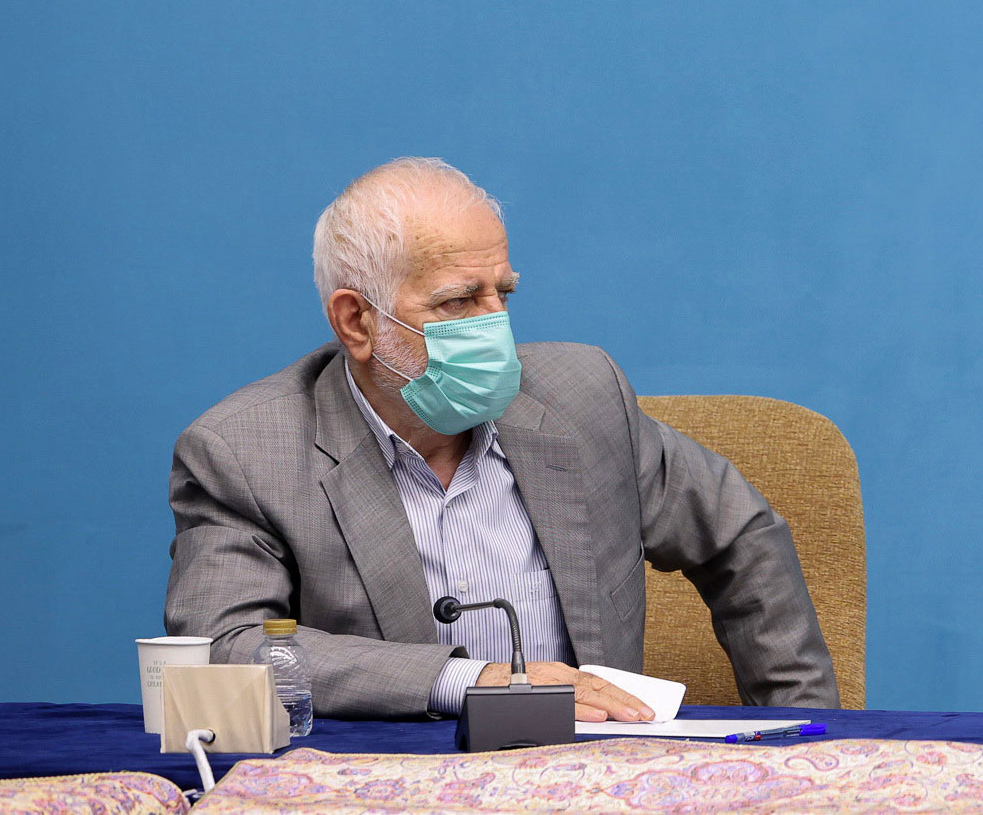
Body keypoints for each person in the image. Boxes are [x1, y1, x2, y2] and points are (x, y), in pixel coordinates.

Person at [165, 158, 835, 720]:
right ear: (357, 321)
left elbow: (741, 536)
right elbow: (225, 646)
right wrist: (470, 681)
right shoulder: (245, 452)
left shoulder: (584, 398)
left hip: (593, 780)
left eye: (502, 295)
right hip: (395, 789)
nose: (495, 329)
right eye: (457, 302)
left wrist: (811, 737)